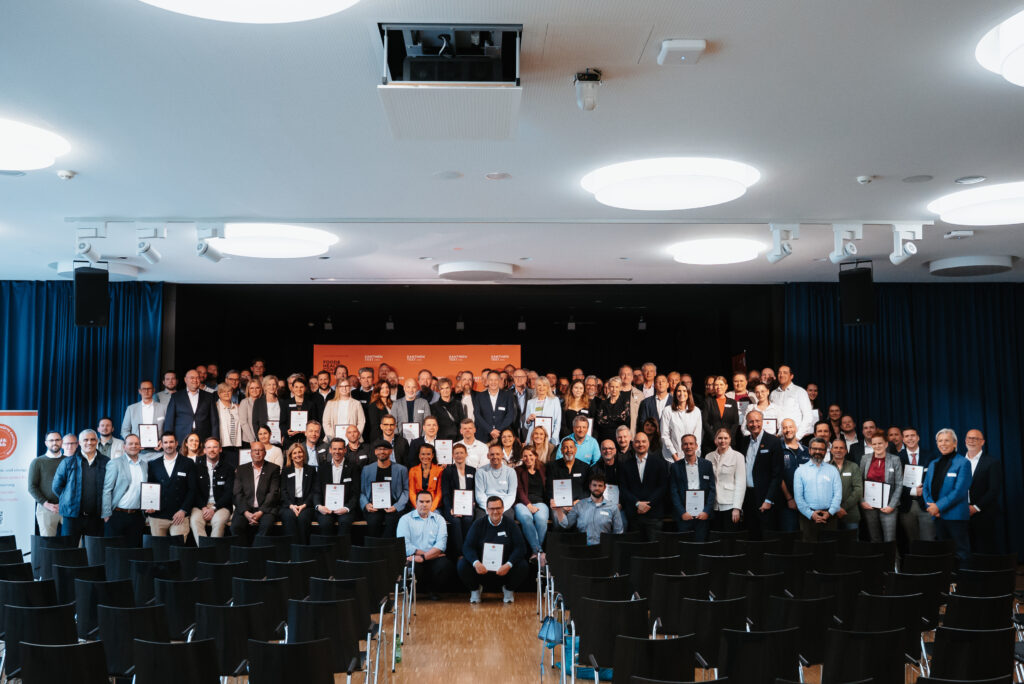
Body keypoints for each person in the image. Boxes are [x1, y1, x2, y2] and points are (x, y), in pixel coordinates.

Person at [457, 495, 529, 604]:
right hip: (482, 570)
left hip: (504, 570)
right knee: (462, 564)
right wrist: (476, 563)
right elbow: (467, 546)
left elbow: (521, 547)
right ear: (486, 510)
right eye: (491, 509)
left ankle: (508, 590)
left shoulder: (511, 524)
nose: (495, 512)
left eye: (498, 508)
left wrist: (508, 564)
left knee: (522, 565)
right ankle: (475, 590)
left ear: (503, 509)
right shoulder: (478, 524)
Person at [923, 429, 972, 563]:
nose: (943, 444)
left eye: (946, 440)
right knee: (943, 553)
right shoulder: (933, 463)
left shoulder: (963, 463)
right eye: (940, 441)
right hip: (937, 517)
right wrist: (932, 506)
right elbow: (926, 488)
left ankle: (964, 582)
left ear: (955, 443)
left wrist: (938, 507)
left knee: (961, 552)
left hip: (955, 517)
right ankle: (948, 582)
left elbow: (959, 491)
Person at [52, 429, 108, 543]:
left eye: (93, 439)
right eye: (85, 440)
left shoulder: (106, 462)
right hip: (72, 518)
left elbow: (110, 487)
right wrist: (68, 499)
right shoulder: (68, 462)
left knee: (94, 554)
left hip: (96, 518)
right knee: (69, 553)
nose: (89, 442)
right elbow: (57, 487)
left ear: (97, 441)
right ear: (79, 443)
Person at [396, 490, 454, 599]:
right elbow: (405, 545)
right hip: (415, 556)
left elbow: (441, 545)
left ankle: (433, 591)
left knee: (445, 565)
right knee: (412, 564)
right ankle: (412, 592)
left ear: (432, 503)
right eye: (421, 501)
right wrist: (428, 554)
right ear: (416, 503)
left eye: (427, 501)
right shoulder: (405, 520)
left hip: (431, 558)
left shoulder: (439, 519)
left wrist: (423, 557)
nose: (424, 504)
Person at [737, 409, 784, 539]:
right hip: (748, 496)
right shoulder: (744, 441)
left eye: (757, 421)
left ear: (762, 422)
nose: (754, 424)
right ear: (746, 423)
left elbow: (777, 475)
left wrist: (769, 499)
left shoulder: (773, 441)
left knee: (767, 534)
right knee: (751, 533)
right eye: (751, 421)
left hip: (765, 498)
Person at [145, 431, 198, 539]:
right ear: (161, 444)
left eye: (171, 442)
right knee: (158, 550)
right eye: (165, 442)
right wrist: (149, 506)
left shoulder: (188, 463)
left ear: (176, 443)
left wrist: (183, 510)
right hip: (157, 516)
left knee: (178, 550)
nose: (168, 445)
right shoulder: (153, 464)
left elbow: (193, 489)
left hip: (179, 516)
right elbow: (150, 488)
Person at [618, 431, 668, 541]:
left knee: (654, 550)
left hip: (654, 515)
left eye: (643, 441)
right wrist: (637, 503)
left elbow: (663, 487)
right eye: (637, 442)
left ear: (648, 443)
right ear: (633, 444)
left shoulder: (660, 463)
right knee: (636, 552)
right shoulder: (625, 465)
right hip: (634, 515)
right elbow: (623, 488)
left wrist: (648, 504)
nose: (640, 444)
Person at [101, 434, 148, 546]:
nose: (134, 446)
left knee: (134, 552)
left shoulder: (144, 465)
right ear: (124, 446)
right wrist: (106, 514)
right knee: (115, 553)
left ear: (140, 446)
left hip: (136, 516)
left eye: (136, 444)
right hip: (117, 515)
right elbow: (107, 489)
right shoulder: (115, 463)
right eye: (130, 443)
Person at [230, 440, 281, 542]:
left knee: (266, 526)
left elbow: (273, 493)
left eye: (260, 450)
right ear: (251, 453)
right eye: (255, 450)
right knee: (235, 527)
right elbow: (237, 493)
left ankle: (256, 554)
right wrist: (246, 513)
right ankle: (243, 554)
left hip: (265, 509)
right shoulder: (241, 469)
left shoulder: (273, 469)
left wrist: (261, 512)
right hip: (245, 509)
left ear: (265, 453)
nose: (257, 453)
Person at [963, 429, 1004, 554]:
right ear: (965, 441)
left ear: (983, 442)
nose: (972, 441)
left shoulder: (992, 462)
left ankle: (986, 574)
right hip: (961, 513)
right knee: (965, 549)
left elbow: (994, 490)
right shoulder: (958, 461)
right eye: (969, 438)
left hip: (983, 514)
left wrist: (975, 508)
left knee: (984, 550)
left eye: (976, 438)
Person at [793, 438, 842, 541]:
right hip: (807, 517)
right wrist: (811, 514)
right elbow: (798, 498)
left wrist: (830, 512)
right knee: (809, 551)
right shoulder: (800, 471)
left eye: (821, 449)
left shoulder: (833, 470)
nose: (818, 452)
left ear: (825, 451)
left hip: (830, 517)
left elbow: (838, 494)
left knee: (829, 550)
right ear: (809, 450)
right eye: (814, 449)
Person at [669, 434, 716, 540]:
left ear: (696, 446)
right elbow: (674, 492)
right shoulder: (675, 467)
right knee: (685, 547)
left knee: (701, 546)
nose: (688, 446)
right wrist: (682, 512)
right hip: (684, 516)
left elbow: (712, 490)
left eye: (691, 444)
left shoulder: (707, 465)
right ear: (681, 447)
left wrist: (706, 511)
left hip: (702, 515)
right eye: (685, 444)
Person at [553, 474, 624, 545]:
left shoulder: (613, 507)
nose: (597, 488)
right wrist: (558, 509)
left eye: (600, 486)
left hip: (604, 549)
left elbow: (618, 532)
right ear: (590, 486)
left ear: (604, 488)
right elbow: (566, 524)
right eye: (594, 485)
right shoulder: (580, 505)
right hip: (583, 548)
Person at [859, 433, 903, 543]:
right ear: (871, 445)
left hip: (888, 506)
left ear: (886, 444)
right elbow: (859, 482)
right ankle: (877, 560)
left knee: (890, 539)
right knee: (874, 538)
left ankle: (893, 561)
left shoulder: (895, 459)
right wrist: (862, 501)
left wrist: (891, 505)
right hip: (869, 505)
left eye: (880, 443)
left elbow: (899, 484)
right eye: (874, 444)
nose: (877, 446)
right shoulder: (865, 459)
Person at [360, 440, 409, 538]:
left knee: (392, 525)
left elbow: (406, 490)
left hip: (393, 507)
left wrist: (397, 506)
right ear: (375, 452)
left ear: (391, 451)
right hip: (373, 507)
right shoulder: (367, 469)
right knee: (373, 524)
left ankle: (387, 551)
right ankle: (374, 551)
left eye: (385, 449)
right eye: (379, 449)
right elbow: (362, 492)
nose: (382, 451)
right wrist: (366, 505)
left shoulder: (401, 469)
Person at [189, 437, 234, 539]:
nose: (212, 450)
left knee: (218, 522)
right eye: (208, 447)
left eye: (215, 447)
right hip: (201, 506)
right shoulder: (196, 468)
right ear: (204, 450)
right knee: (195, 521)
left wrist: (214, 508)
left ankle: (213, 551)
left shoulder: (228, 468)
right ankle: (205, 551)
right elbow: (194, 491)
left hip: (221, 506)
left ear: (220, 449)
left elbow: (229, 493)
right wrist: (204, 507)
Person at [314, 438, 360, 537]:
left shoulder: (353, 468)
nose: (337, 452)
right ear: (330, 450)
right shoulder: (322, 468)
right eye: (334, 449)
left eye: (340, 449)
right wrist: (319, 506)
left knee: (345, 522)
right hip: (326, 508)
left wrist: (347, 508)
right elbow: (317, 491)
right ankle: (328, 552)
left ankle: (342, 551)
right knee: (325, 524)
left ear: (345, 450)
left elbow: (356, 492)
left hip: (345, 508)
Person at [898, 427, 935, 546]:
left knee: (928, 540)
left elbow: (935, 479)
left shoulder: (930, 455)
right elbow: (895, 483)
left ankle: (930, 564)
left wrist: (924, 491)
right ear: (903, 439)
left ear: (918, 437)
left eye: (912, 435)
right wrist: (913, 491)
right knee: (912, 542)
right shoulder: (897, 458)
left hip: (926, 504)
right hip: (906, 505)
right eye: (907, 436)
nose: (910, 438)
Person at [164, 369, 219, 444]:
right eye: (192, 378)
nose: (195, 380)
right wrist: (168, 440)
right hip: (181, 438)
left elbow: (214, 421)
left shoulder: (209, 396)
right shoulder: (176, 397)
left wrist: (215, 440)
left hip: (203, 438)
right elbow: (169, 420)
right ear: (185, 380)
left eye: (197, 378)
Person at [440, 443, 476, 557]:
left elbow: (475, 489)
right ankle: (459, 553)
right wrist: (451, 508)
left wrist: (473, 502)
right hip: (452, 506)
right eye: (456, 453)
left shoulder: (473, 470)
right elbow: (445, 492)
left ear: (466, 454)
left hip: (468, 506)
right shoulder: (447, 471)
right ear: (452, 455)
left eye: (461, 452)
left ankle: (468, 550)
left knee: (468, 519)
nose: (459, 455)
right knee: (455, 521)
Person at [514, 447, 549, 563]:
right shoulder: (518, 470)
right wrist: (528, 505)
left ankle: (535, 553)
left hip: (540, 502)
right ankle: (538, 551)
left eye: (530, 455)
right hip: (522, 503)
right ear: (522, 458)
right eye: (525, 456)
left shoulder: (543, 469)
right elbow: (519, 490)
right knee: (526, 518)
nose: (528, 458)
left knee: (541, 519)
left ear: (535, 456)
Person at [708, 428, 745, 531]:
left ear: (730, 440)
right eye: (720, 438)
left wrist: (737, 508)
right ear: (715, 440)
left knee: (729, 539)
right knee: (715, 537)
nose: (722, 441)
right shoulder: (708, 457)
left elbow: (741, 484)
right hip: (713, 505)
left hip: (730, 505)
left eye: (725, 438)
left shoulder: (738, 456)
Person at [279, 442, 317, 544]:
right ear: (290, 456)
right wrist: (291, 506)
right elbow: (283, 490)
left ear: (304, 454)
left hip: (306, 504)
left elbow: (314, 490)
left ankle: (303, 550)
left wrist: (304, 505)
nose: (297, 455)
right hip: (289, 504)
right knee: (289, 517)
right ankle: (291, 550)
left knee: (303, 518)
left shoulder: (311, 470)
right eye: (294, 453)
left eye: (300, 452)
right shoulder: (286, 470)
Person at [28, 432, 65, 536]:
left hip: (67, 508)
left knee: (73, 544)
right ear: (46, 443)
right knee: (48, 545)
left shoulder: (68, 461)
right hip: (45, 509)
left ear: (61, 442)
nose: (55, 443)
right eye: (51, 440)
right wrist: (46, 504)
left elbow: (74, 486)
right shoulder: (37, 462)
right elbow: (32, 487)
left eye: (57, 440)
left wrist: (63, 503)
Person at [778, 418, 810, 533]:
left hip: (807, 503)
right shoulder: (778, 450)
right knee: (790, 535)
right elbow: (778, 476)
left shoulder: (806, 450)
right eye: (785, 427)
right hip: (787, 503)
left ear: (796, 428)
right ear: (781, 430)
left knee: (806, 536)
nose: (788, 430)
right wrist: (790, 498)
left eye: (790, 427)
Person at [474, 444, 518, 522]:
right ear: (488, 456)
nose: (495, 457)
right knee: (480, 520)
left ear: (502, 455)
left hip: (504, 506)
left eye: (497, 454)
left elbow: (511, 495)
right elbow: (479, 495)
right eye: (492, 454)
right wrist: (490, 509)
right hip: (486, 505)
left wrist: (500, 509)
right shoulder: (481, 472)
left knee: (508, 519)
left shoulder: (511, 472)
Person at [660, 383, 702, 462]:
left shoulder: (696, 411)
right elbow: (665, 436)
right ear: (675, 393)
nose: (682, 393)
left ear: (688, 393)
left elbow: (697, 437)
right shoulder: (667, 411)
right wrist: (675, 456)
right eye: (679, 391)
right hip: (671, 458)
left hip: (691, 458)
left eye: (684, 391)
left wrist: (692, 456)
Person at [769, 366, 814, 439]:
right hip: (777, 437)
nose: (781, 375)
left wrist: (798, 436)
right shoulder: (773, 394)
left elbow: (808, 416)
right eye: (779, 373)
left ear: (791, 376)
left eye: (785, 373)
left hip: (794, 437)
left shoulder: (800, 391)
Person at [472, 371, 517, 443]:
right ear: (487, 381)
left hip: (502, 435)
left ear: (499, 381)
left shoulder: (507, 396)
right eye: (491, 380)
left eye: (496, 380)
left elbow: (510, 415)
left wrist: (498, 430)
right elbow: (477, 415)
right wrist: (490, 430)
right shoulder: (479, 396)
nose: (493, 382)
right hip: (483, 434)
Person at [829, 439, 863, 531]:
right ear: (831, 450)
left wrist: (843, 507)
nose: (838, 450)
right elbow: (823, 490)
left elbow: (858, 489)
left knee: (852, 543)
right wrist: (836, 508)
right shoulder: (825, 467)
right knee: (832, 543)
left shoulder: (853, 467)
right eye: (835, 447)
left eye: (841, 448)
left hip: (851, 513)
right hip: (830, 514)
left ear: (846, 451)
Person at [701, 376, 740, 454]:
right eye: (716, 385)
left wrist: (728, 439)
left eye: (721, 384)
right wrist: (715, 438)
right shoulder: (708, 401)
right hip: (711, 443)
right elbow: (705, 422)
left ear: (726, 386)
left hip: (729, 443)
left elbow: (735, 422)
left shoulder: (732, 402)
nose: (718, 387)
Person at [283, 375, 321, 448]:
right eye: (296, 387)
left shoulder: (311, 404)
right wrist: (287, 432)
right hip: (290, 441)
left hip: (306, 440)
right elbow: (282, 422)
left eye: (301, 387)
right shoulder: (286, 403)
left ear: (305, 388)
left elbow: (314, 422)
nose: (299, 389)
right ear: (292, 388)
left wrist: (308, 431)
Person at [251, 376, 288, 448]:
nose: (272, 387)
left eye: (274, 384)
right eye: (269, 384)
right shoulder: (258, 402)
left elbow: (285, 421)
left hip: (279, 439)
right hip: (264, 439)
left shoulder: (282, 402)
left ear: (277, 386)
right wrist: (259, 437)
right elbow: (255, 422)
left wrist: (284, 436)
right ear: (264, 386)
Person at [213, 382, 243, 467]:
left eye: (229, 391)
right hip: (222, 445)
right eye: (223, 392)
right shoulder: (215, 407)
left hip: (236, 446)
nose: (226, 393)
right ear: (219, 394)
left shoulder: (237, 407)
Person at [524, 376, 561, 445]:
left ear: (548, 387)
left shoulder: (555, 400)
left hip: (549, 439)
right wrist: (528, 420)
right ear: (536, 387)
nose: (541, 388)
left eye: (544, 385)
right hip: (533, 439)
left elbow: (557, 422)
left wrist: (554, 438)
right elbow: (526, 425)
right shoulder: (530, 402)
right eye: (539, 385)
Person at [409, 443, 444, 512]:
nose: (425, 457)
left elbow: (439, 493)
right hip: (417, 505)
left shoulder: (440, 470)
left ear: (432, 455)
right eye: (423, 454)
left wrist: (431, 508)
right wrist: (418, 506)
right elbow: (411, 491)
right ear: (419, 455)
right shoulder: (413, 470)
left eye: (428, 454)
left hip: (433, 506)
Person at [595, 376, 630, 442]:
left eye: (616, 387)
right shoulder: (603, 403)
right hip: (605, 436)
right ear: (609, 387)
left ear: (620, 388)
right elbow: (599, 421)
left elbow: (625, 419)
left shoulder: (625, 402)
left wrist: (607, 418)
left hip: (619, 437)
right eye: (612, 387)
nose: (614, 389)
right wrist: (617, 417)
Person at [618, 365, 646, 436]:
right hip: (616, 433)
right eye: (623, 374)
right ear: (619, 376)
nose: (626, 377)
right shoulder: (612, 393)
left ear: (632, 377)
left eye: (628, 374)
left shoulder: (640, 395)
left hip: (633, 434)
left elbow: (642, 417)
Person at [238, 377, 263, 445]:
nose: (254, 390)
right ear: (248, 390)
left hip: (263, 439)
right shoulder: (244, 402)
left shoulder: (264, 402)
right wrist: (252, 440)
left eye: (257, 388)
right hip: (249, 440)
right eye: (252, 388)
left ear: (261, 389)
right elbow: (243, 422)